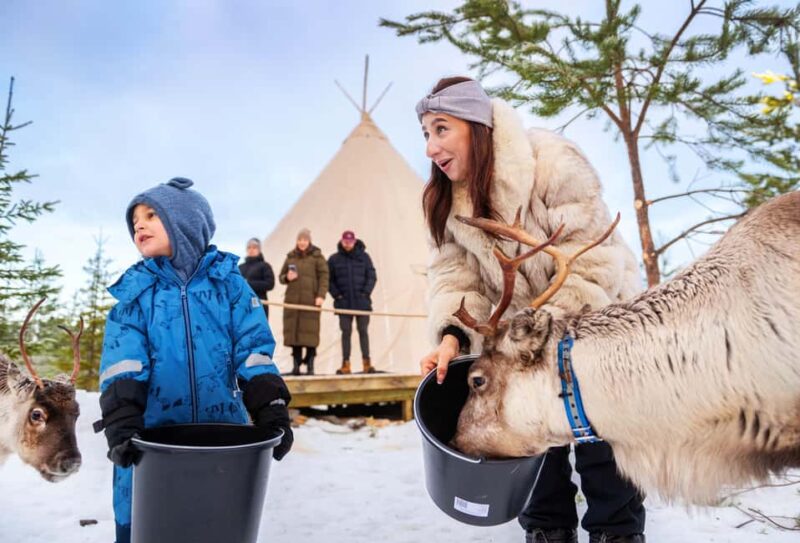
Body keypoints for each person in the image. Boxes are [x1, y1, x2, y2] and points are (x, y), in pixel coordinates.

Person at [416, 78, 646, 543]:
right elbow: (454, 279)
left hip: (595, 323)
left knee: (602, 440)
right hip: (521, 341)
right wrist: (451, 336)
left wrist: (539, 332)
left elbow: (594, 265)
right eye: (424, 133)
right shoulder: (445, 201)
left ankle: (616, 534)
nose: (430, 148)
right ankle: (547, 532)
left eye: (441, 129)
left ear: (476, 126)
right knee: (526, 434)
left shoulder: (553, 165)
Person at [94, 178, 293, 543]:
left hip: (222, 443)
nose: (139, 224)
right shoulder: (135, 296)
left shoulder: (229, 286)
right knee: (148, 525)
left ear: (186, 224)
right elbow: (122, 362)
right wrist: (122, 418)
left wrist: (270, 404)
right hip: (151, 446)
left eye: (151, 215)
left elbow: (253, 350)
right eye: (135, 219)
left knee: (218, 525)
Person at [279, 228, 328, 376]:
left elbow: (324, 276)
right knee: (295, 335)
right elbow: (281, 277)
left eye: (304, 240)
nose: (302, 243)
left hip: (311, 301)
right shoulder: (290, 257)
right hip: (293, 301)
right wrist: (287, 277)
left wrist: (321, 295)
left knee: (310, 335)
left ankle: (310, 367)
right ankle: (296, 367)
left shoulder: (317, 257)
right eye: (300, 240)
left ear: (309, 241)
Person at [327, 230, 377, 374]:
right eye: (345, 241)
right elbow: (328, 280)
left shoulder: (364, 257)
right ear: (342, 241)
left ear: (354, 241)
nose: (348, 244)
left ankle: (366, 363)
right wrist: (337, 296)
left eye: (350, 241)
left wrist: (365, 293)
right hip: (344, 303)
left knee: (363, 332)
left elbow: (372, 276)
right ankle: (345, 364)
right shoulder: (334, 259)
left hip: (362, 302)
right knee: (346, 332)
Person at [239, 237, 276, 320]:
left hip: (259, 305)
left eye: (254, 247)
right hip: (242, 305)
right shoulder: (240, 267)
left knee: (259, 330)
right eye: (249, 247)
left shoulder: (265, 266)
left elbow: (270, 284)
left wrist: (249, 284)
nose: (251, 250)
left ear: (259, 250)